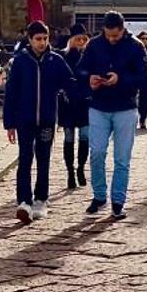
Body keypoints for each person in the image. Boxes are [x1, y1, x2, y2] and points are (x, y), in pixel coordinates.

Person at [81, 11, 147, 218]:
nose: (111, 39)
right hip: (99, 106)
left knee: (122, 159)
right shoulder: (93, 45)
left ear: (123, 29)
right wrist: (89, 78)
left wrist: (121, 78)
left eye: (115, 36)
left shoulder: (136, 46)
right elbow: (80, 69)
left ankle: (118, 200)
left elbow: (145, 77)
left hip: (125, 108)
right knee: (97, 152)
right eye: (108, 35)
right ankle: (99, 195)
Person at [4, 21, 68, 222]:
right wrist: (10, 123)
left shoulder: (55, 60)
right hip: (25, 119)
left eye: (45, 38)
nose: (42, 42)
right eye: (38, 39)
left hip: (47, 119)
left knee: (43, 159)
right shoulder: (20, 62)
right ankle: (24, 201)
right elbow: (11, 93)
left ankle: (41, 199)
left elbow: (70, 82)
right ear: (30, 40)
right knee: (25, 159)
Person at [57, 23, 92, 190]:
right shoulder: (63, 56)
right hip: (67, 102)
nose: (81, 41)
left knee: (85, 137)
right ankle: (70, 171)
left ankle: (80, 168)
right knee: (69, 138)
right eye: (78, 38)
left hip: (84, 102)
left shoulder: (89, 55)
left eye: (83, 39)